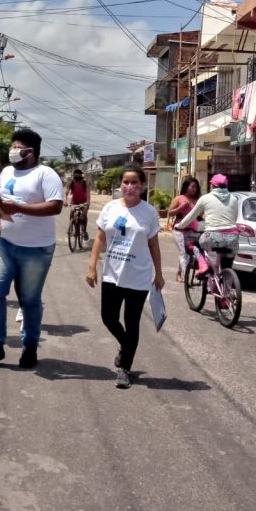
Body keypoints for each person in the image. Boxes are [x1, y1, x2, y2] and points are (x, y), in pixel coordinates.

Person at [0, 129, 64, 371]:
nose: (13, 151)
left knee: (29, 300)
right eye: (12, 147)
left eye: (18, 148)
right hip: (5, 243)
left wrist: (19, 208)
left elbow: (56, 206)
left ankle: (30, 347)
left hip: (36, 249)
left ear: (31, 152)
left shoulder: (46, 174)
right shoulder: (5, 172)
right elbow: (2, 203)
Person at [86, 164, 164, 389]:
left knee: (132, 323)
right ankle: (126, 345)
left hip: (138, 277)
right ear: (120, 184)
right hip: (112, 273)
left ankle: (125, 369)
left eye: (135, 183)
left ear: (142, 186)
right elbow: (100, 239)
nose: (129, 187)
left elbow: (154, 245)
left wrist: (159, 274)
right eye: (126, 182)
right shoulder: (110, 208)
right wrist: (92, 267)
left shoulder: (148, 212)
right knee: (108, 318)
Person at [176, 174, 239, 277]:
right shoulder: (234, 199)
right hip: (233, 238)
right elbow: (234, 219)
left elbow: (191, 217)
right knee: (227, 265)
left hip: (212, 236)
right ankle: (226, 289)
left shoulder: (205, 198)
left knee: (193, 243)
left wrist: (179, 225)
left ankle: (203, 265)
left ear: (212, 186)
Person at [167, 177, 201, 282]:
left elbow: (202, 214)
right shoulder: (179, 198)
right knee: (184, 252)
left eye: (196, 187)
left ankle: (179, 274)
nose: (194, 189)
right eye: (192, 186)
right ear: (186, 187)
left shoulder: (198, 200)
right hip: (179, 230)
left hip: (193, 230)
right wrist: (182, 207)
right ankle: (186, 277)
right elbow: (170, 213)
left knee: (190, 253)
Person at [65, 168, 90, 238]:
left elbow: (88, 193)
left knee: (84, 214)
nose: (77, 176)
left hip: (84, 202)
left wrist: (87, 202)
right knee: (72, 211)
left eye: (78, 174)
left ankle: (84, 230)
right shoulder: (71, 182)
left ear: (81, 175)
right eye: (75, 175)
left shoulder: (85, 183)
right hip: (74, 201)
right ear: (74, 175)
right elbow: (66, 192)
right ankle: (71, 227)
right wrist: (65, 200)